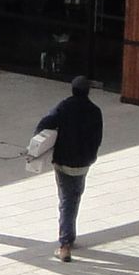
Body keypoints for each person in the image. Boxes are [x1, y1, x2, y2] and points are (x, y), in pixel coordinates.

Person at [36, 75, 105, 262]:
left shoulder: (64, 106)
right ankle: (70, 235)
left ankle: (65, 245)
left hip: (64, 161)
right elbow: (97, 139)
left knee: (66, 199)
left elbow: (44, 124)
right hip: (84, 163)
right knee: (74, 195)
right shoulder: (95, 111)